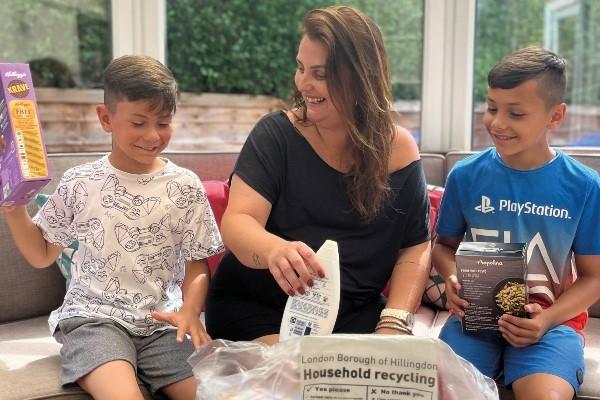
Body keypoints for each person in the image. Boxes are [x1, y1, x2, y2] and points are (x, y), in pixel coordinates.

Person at [1, 55, 224, 400]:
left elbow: (198, 264)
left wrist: (190, 311)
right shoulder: (80, 182)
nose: (153, 136)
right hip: (93, 321)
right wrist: (13, 206)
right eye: (138, 123)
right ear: (106, 118)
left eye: (163, 122)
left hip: (162, 325)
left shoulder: (185, 186)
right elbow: (42, 253)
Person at [205, 5, 431, 344]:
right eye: (300, 68)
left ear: (361, 78)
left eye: (320, 74)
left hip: (355, 314)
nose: (304, 83)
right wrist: (272, 250)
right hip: (259, 309)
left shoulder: (399, 149)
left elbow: (415, 247)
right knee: (300, 379)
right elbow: (238, 223)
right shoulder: (275, 135)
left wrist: (394, 322)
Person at [432, 46, 600, 400]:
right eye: (492, 108)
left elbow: (594, 277)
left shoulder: (584, 186)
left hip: (550, 326)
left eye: (516, 113)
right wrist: (450, 277)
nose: (498, 123)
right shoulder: (465, 176)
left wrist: (545, 320)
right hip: (473, 323)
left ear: (555, 116)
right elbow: (443, 247)